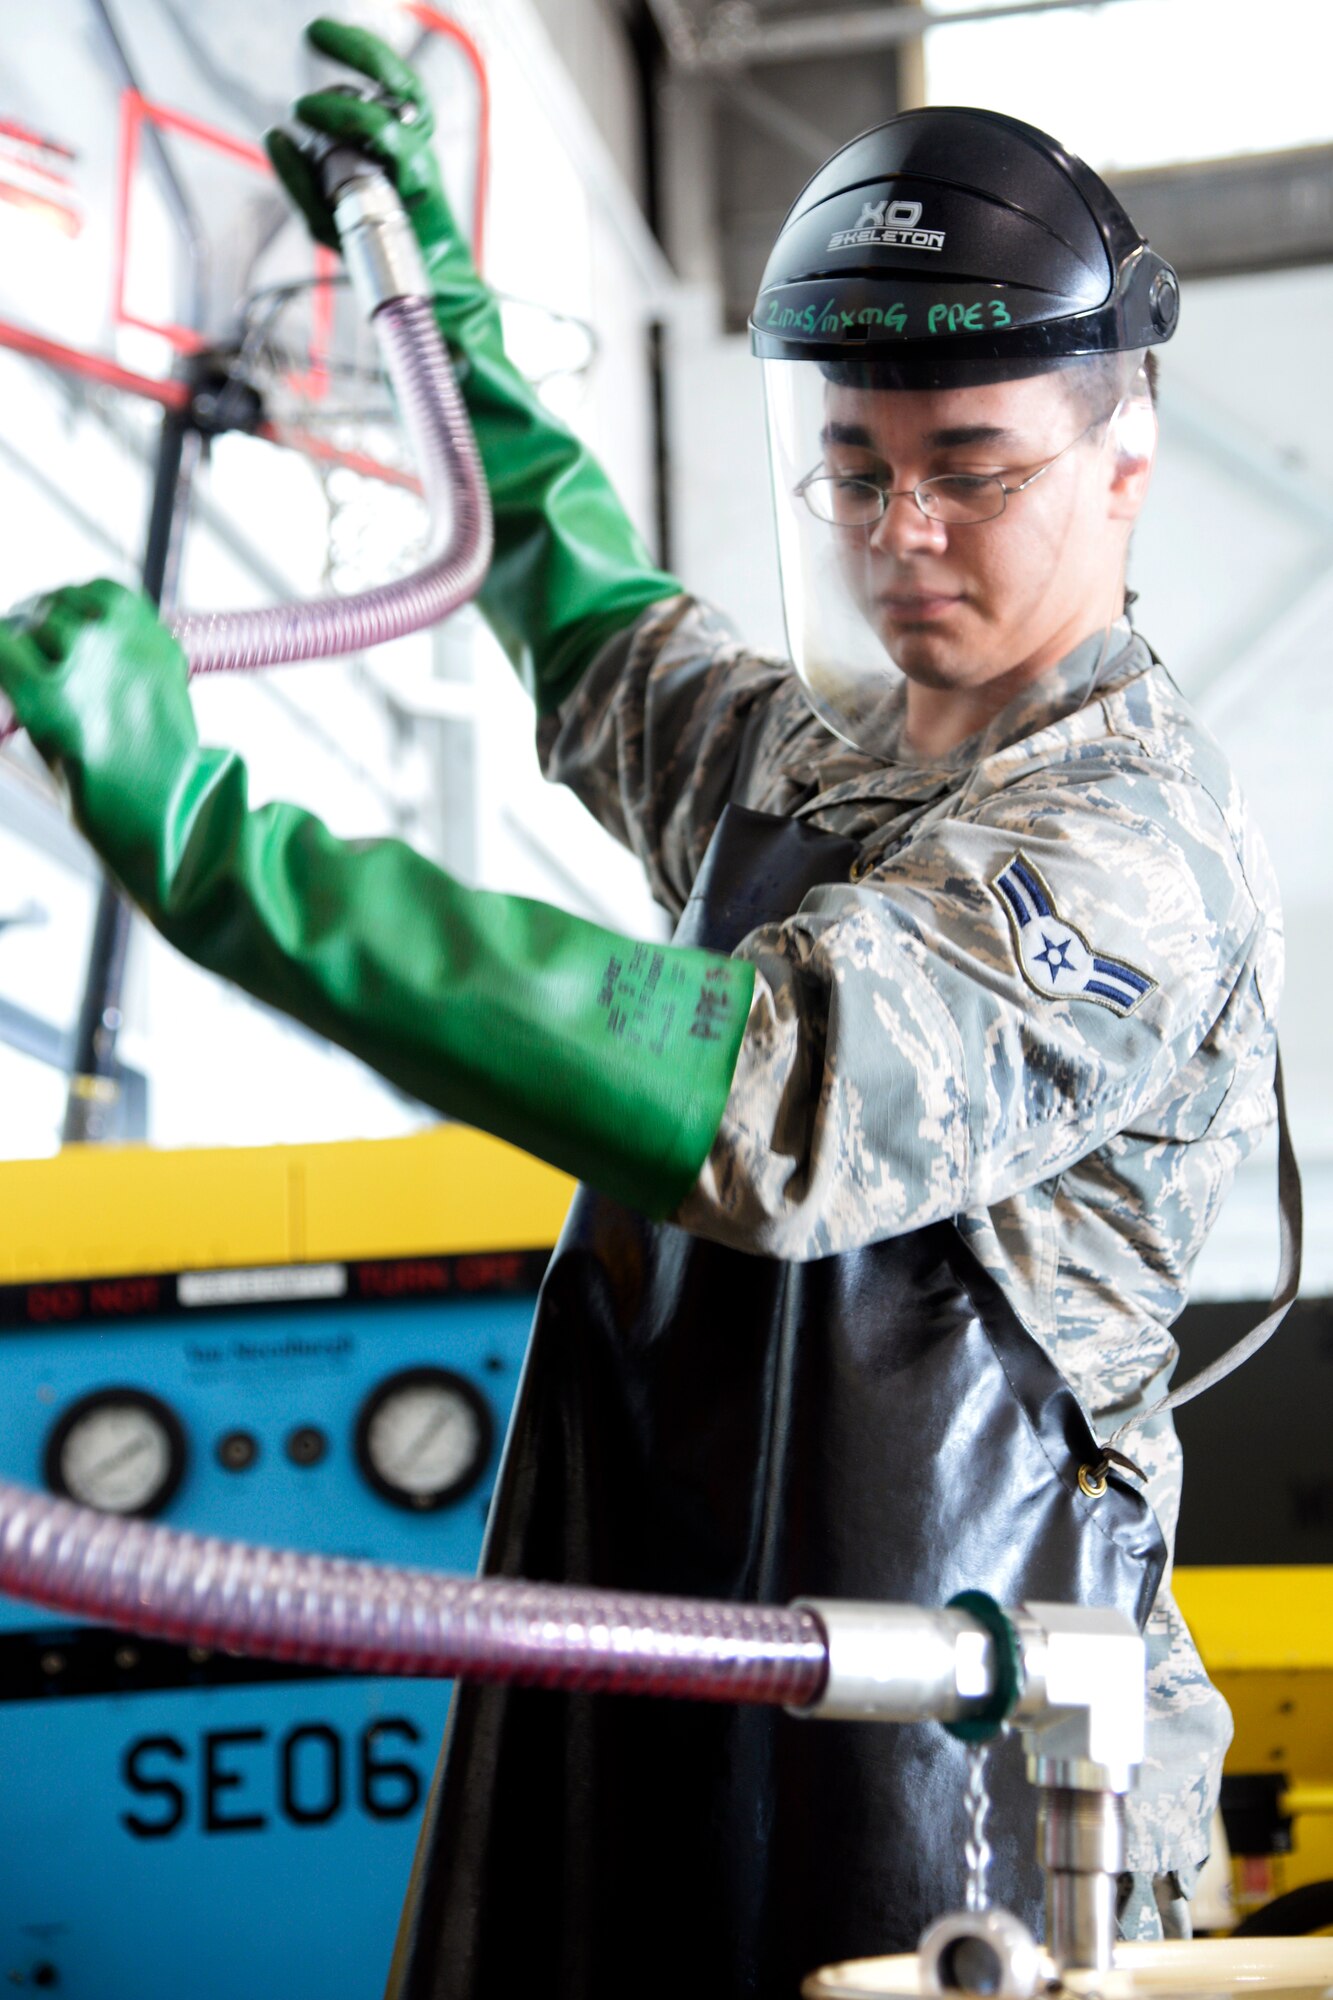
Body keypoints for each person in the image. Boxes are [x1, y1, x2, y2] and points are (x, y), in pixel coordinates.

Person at [0, 23, 1286, 1996]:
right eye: (854, 469)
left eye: (971, 469)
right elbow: (589, 617)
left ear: (1124, 464)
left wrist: (213, 846)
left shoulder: (1127, 843)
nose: (900, 534)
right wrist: (427, 306)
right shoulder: (828, 768)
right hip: (687, 1701)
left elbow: (777, 1089)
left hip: (991, 1800)